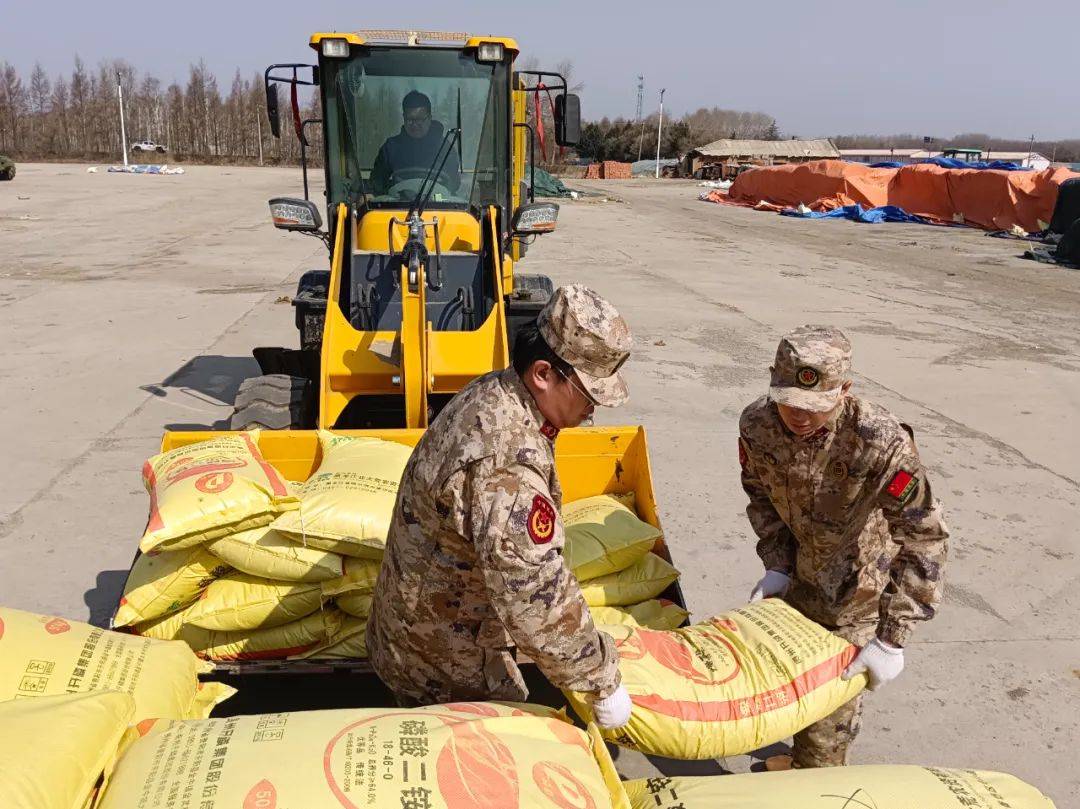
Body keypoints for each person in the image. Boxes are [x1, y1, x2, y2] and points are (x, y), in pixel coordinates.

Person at [367, 284, 634, 729]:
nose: (593, 409)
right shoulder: (506, 461)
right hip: (442, 663)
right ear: (543, 373)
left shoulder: (498, 390)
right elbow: (533, 592)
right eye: (588, 394)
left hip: (425, 627)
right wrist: (600, 679)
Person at [738, 325, 949, 769]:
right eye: (788, 400)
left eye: (814, 405)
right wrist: (777, 565)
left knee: (825, 736)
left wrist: (892, 638)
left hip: (859, 596)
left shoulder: (880, 441)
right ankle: (797, 763)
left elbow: (924, 537)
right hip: (798, 587)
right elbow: (760, 494)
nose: (798, 415)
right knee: (789, 696)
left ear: (845, 390)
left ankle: (812, 773)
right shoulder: (758, 425)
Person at [370, 90, 461, 195]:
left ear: (429, 118)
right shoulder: (391, 148)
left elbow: (454, 184)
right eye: (410, 119)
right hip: (399, 204)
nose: (414, 125)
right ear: (403, 117)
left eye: (419, 119)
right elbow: (377, 182)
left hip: (437, 204)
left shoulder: (445, 149)